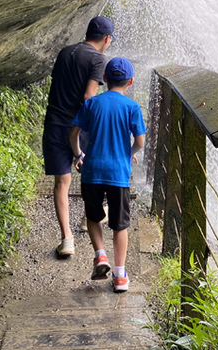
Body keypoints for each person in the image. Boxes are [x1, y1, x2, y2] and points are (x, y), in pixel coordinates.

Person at [70, 57, 146, 293]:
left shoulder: (92, 104)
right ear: (130, 81)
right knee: (120, 224)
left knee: (93, 216)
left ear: (104, 79)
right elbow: (140, 142)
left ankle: (100, 255)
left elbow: (74, 134)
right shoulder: (132, 107)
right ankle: (120, 275)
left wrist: (78, 154)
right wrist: (128, 153)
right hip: (118, 174)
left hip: (92, 170)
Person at [43, 16, 114, 257]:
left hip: (54, 123)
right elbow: (88, 97)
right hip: (79, 127)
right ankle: (87, 218)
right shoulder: (98, 59)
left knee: (61, 183)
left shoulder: (65, 52)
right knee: (91, 173)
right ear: (106, 39)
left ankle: (67, 240)